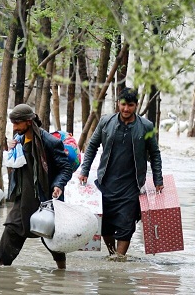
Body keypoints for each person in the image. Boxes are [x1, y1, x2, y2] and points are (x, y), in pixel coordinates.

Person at [78, 87, 163, 261]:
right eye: (123, 104)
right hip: (106, 182)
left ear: (136, 105)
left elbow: (155, 154)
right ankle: (112, 255)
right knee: (106, 226)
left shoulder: (146, 126)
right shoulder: (105, 122)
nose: (126, 109)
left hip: (132, 185)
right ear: (118, 103)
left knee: (126, 225)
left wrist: (158, 179)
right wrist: (84, 170)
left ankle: (119, 258)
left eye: (130, 105)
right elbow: (92, 146)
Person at [0, 104, 73, 269]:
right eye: (13, 124)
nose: (15, 128)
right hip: (24, 199)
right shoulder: (20, 141)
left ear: (29, 122)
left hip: (45, 199)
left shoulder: (50, 142)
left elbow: (65, 168)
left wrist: (58, 185)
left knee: (52, 239)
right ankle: (1, 273)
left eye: (17, 123)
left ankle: (62, 272)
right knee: (10, 231)